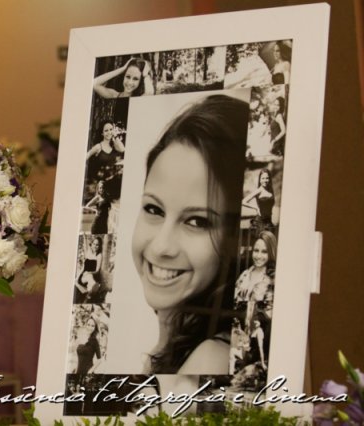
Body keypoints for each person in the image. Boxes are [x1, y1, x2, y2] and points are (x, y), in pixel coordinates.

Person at [131, 94, 249, 375]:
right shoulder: (178, 346)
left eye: (197, 221)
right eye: (154, 209)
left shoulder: (212, 359)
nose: (161, 246)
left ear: (235, 238)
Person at [234, 230, 277, 327]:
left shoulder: (273, 279)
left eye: (264, 252)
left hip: (260, 331)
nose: (258, 256)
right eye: (256, 250)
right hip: (238, 329)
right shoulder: (244, 274)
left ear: (271, 253)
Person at [86, 121, 125, 189]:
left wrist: (115, 136)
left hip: (111, 183)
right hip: (98, 185)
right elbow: (85, 157)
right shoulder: (98, 146)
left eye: (111, 129)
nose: (109, 132)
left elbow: (122, 149)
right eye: (106, 130)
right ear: (102, 133)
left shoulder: (114, 145)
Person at [74, 237, 103, 304]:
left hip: (93, 275)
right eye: (94, 244)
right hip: (83, 277)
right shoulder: (88, 252)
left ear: (99, 246)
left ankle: (90, 292)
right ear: (91, 244)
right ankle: (93, 288)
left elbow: (97, 270)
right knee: (89, 278)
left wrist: (89, 272)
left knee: (90, 276)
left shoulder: (99, 255)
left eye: (97, 245)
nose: (95, 246)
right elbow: (83, 267)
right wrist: (77, 277)